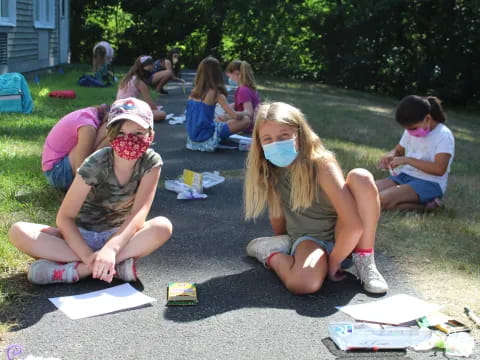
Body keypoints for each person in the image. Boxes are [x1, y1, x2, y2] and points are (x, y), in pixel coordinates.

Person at [9, 98, 172, 285]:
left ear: (150, 136)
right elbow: (65, 217)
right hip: (81, 236)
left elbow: (138, 213)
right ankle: (106, 266)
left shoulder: (151, 162)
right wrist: (87, 256)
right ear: (110, 135)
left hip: (118, 236)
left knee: (162, 227)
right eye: (121, 133)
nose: (129, 140)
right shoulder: (97, 162)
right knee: (18, 231)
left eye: (138, 133)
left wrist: (111, 248)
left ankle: (72, 271)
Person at [244, 102, 388, 295]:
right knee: (303, 284)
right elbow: (277, 214)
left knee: (361, 177)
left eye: (283, 136)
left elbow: (353, 224)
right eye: (267, 139)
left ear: (299, 134)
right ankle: (270, 253)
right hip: (309, 240)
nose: (275, 144)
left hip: (345, 235)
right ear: (259, 144)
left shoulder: (321, 164)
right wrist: (283, 240)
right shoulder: (269, 169)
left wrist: (334, 262)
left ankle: (365, 260)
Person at [376, 95, 455, 210]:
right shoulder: (411, 129)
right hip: (405, 176)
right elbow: (399, 150)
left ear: (427, 119)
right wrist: (390, 155)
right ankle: (427, 204)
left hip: (430, 183)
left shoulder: (443, 135)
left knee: (381, 200)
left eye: (413, 129)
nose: (409, 132)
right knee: (368, 191)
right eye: (407, 129)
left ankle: (429, 206)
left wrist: (408, 160)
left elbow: (439, 169)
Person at [185, 57, 251, 152]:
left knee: (219, 121)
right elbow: (235, 116)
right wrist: (245, 112)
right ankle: (218, 139)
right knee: (245, 120)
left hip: (192, 140)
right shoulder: (216, 93)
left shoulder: (193, 92)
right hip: (207, 137)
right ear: (217, 74)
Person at [42, 104, 110, 191]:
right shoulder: (87, 127)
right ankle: (90, 187)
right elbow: (81, 166)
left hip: (55, 170)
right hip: (58, 174)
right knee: (111, 135)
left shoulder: (89, 114)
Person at [117, 56, 166, 122]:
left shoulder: (129, 78)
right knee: (161, 114)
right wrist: (156, 109)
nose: (151, 71)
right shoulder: (139, 82)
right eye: (150, 69)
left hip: (119, 108)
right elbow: (151, 104)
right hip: (128, 110)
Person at [225, 60, 260, 132]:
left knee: (220, 125)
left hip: (247, 125)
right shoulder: (246, 88)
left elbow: (249, 112)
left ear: (237, 74)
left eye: (230, 76)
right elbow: (244, 103)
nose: (230, 79)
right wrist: (232, 106)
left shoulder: (243, 90)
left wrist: (233, 115)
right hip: (251, 124)